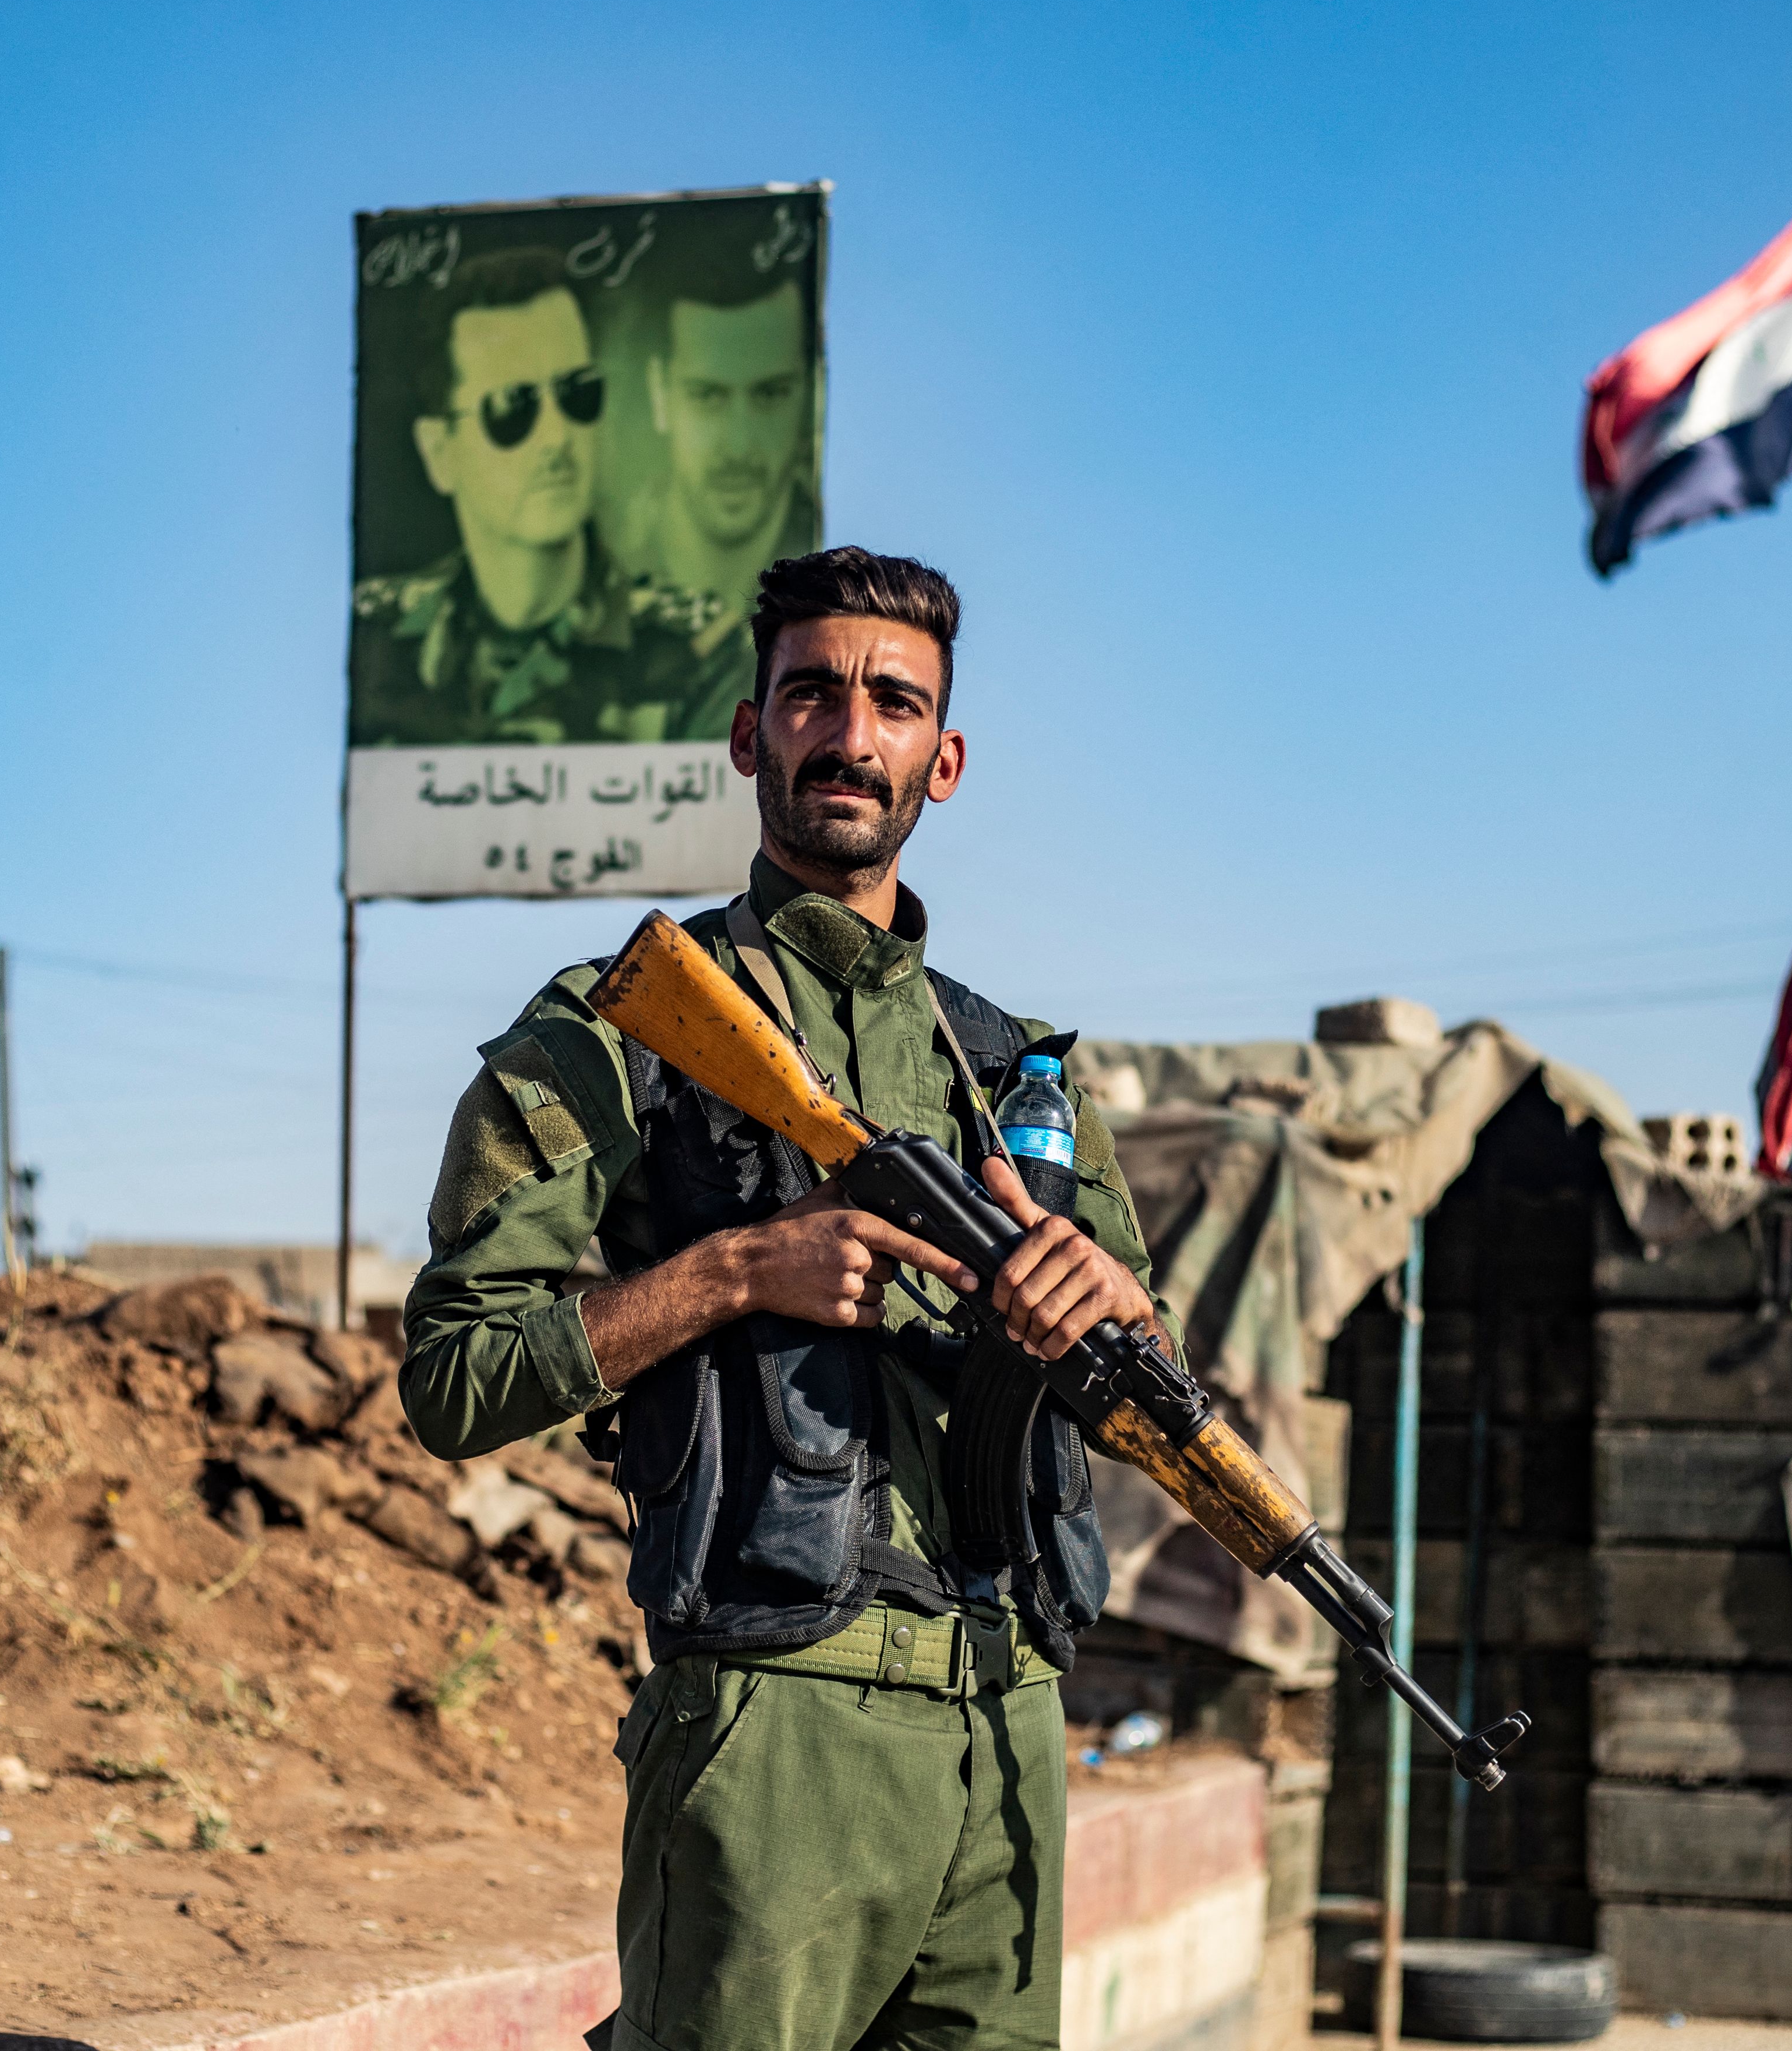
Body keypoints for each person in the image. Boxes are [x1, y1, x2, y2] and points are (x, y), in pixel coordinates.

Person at [400, 547, 1175, 2051]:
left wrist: (1116, 1323)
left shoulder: (1019, 1073)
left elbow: (1154, 1417)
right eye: (811, 693)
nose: (851, 731)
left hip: (1008, 1729)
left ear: (942, 762)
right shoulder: (624, 1026)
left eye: (894, 703)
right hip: (774, 1730)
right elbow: (454, 1376)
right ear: (750, 736)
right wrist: (739, 1270)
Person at [351, 247, 745, 747]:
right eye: (512, 408)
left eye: (576, 393)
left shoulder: (696, 653)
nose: (557, 436)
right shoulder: (376, 637)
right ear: (439, 451)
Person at [623, 260, 821, 607]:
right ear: (659, 394)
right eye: (707, 396)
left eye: (770, 394)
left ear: (808, 394)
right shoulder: (600, 577)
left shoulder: (845, 609)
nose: (738, 446)